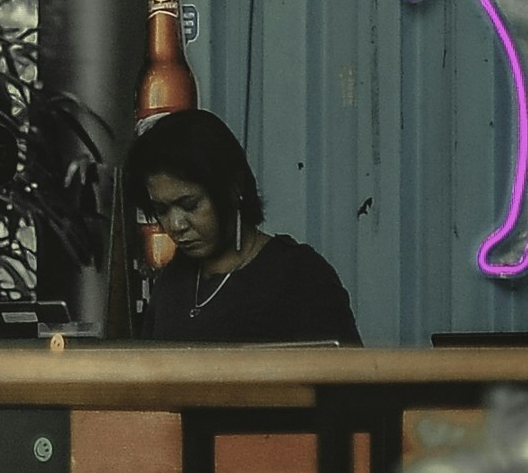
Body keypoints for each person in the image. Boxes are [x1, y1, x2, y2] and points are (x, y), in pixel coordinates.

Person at [129, 108, 361, 344]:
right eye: (161, 210)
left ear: (233, 188)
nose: (176, 225)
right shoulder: (172, 282)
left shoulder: (299, 277)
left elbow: (347, 376)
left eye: (190, 205)